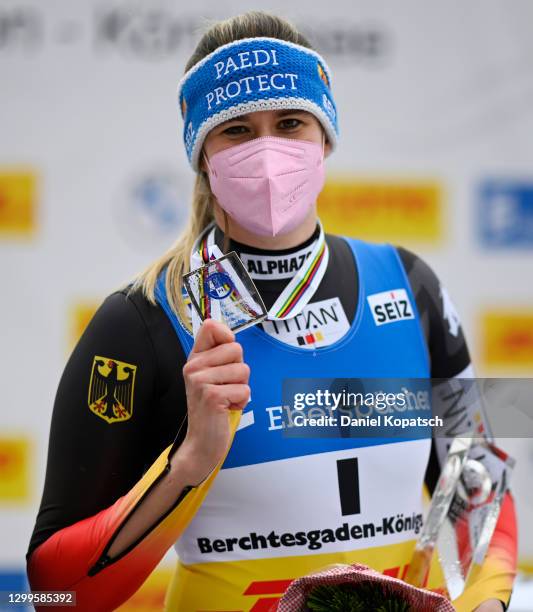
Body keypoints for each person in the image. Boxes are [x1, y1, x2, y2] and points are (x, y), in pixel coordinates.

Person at [26, 11, 517, 612]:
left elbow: (477, 476)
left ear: (325, 137)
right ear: (202, 152)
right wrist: (188, 465)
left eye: (290, 123)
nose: (266, 152)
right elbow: (55, 592)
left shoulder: (410, 285)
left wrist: (487, 604)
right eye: (236, 130)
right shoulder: (142, 322)